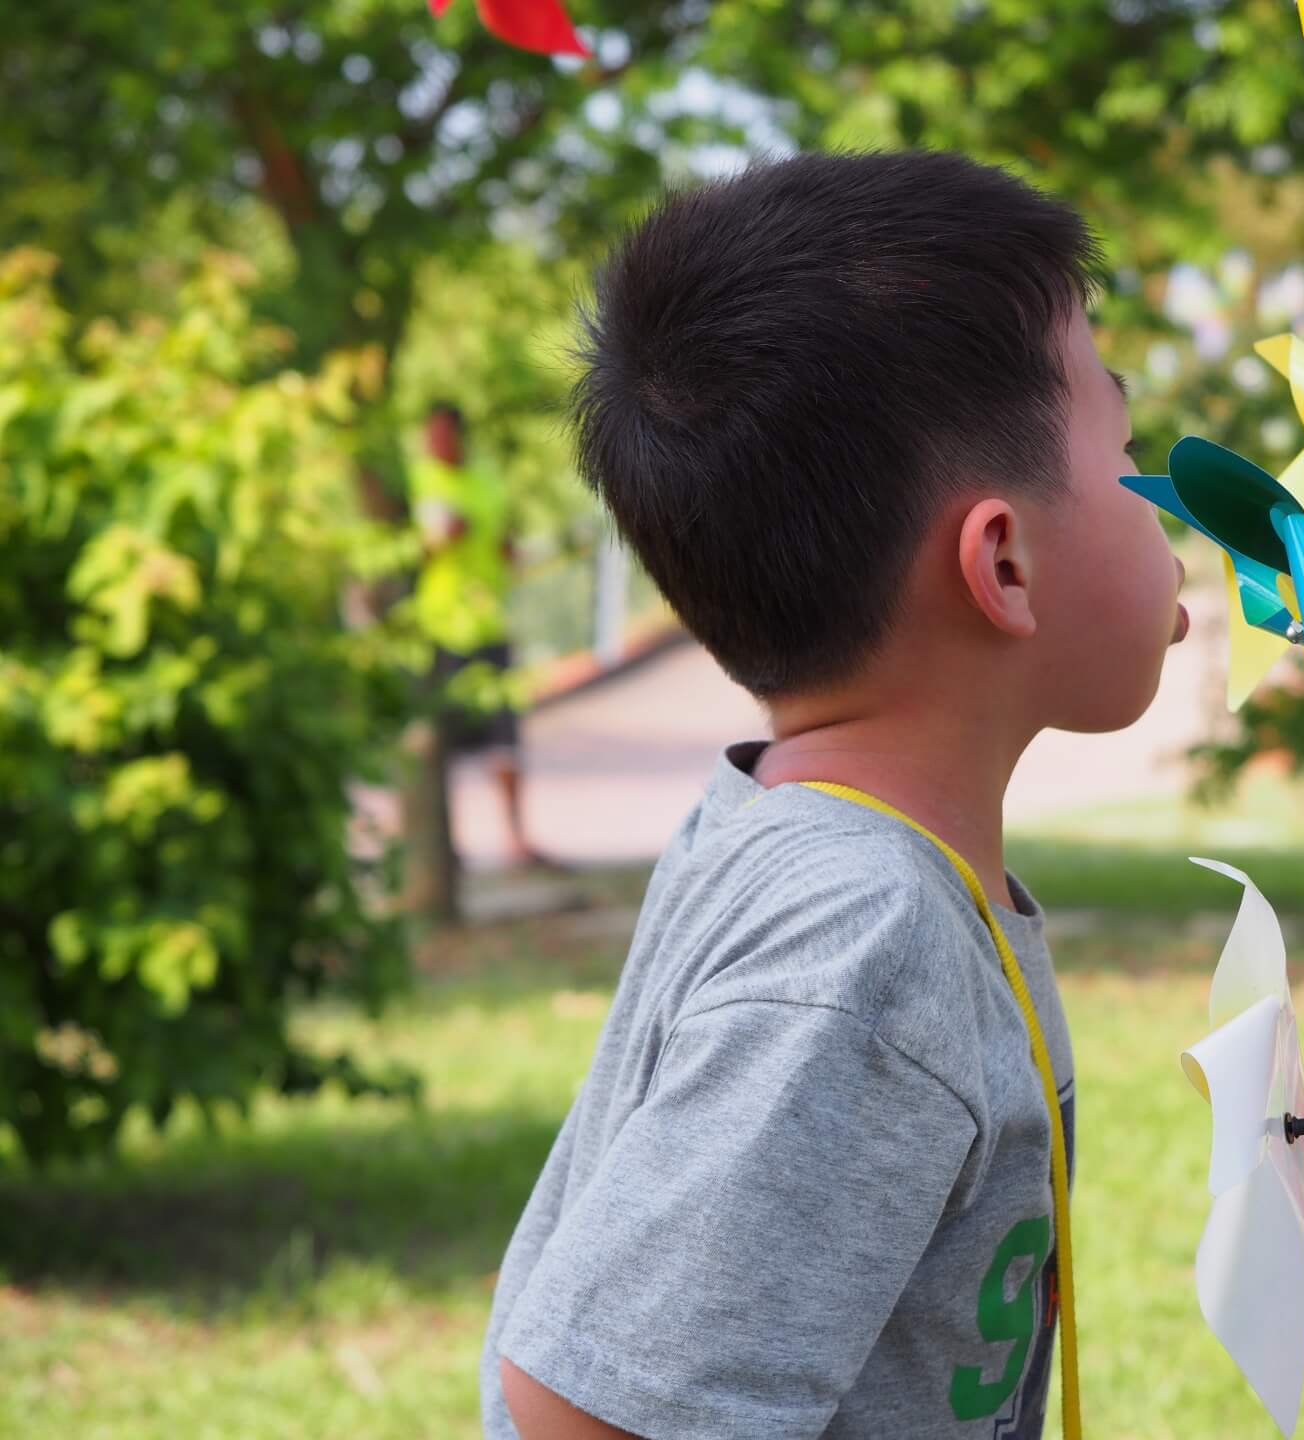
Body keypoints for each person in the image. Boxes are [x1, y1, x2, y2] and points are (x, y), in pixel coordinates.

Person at [478, 150, 1188, 1440]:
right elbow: (590, 1415)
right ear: (1004, 564)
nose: (1171, 504)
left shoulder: (820, 848)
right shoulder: (862, 934)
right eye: (1130, 449)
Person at [410, 401, 546, 869]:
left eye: (442, 434)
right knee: (441, 741)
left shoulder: (486, 477)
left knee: (504, 736)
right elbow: (415, 548)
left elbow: (502, 535)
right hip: (442, 628)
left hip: (489, 623)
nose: (436, 444)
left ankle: (516, 838)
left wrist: (506, 549)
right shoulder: (419, 480)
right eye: (430, 435)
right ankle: (446, 846)